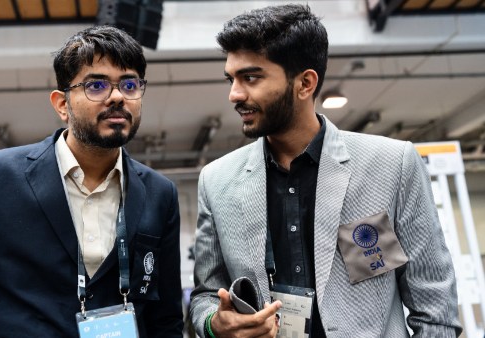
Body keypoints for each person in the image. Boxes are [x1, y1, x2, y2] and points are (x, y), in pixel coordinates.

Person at [190, 4, 462, 338]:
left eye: (251, 77)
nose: (235, 94)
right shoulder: (217, 182)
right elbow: (206, 294)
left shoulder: (391, 164)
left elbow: (435, 309)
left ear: (305, 83)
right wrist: (213, 324)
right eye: (231, 79)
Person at [0, 26, 183, 337]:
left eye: (129, 84)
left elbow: (166, 320)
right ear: (61, 104)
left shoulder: (159, 193)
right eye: (96, 85)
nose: (118, 97)